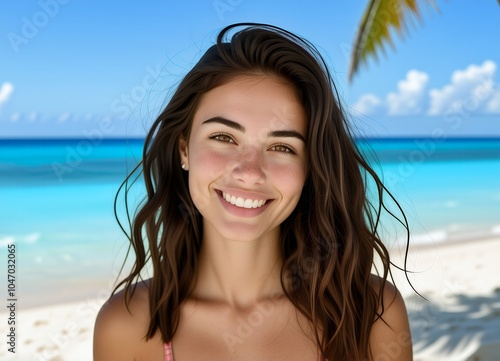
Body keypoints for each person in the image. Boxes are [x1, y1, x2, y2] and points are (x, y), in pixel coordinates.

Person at [93, 23, 413, 361]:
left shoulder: (372, 314)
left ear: (310, 169)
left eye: (281, 147)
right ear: (184, 149)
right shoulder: (126, 328)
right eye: (224, 138)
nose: (249, 172)